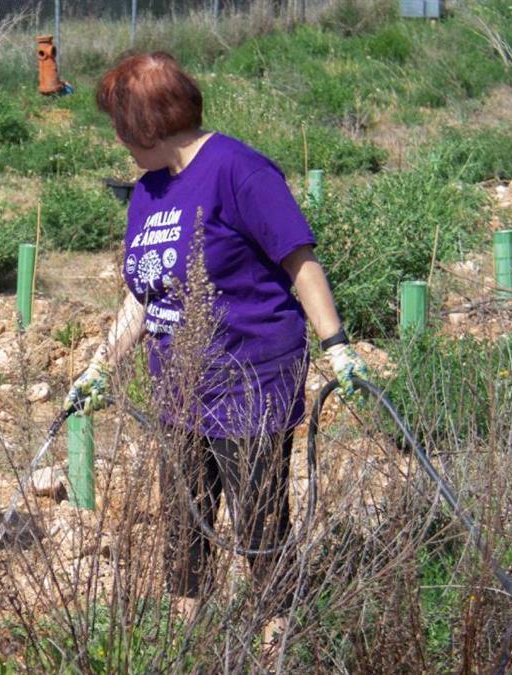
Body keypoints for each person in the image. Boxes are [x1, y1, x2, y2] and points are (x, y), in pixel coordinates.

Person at [63, 52, 368, 651]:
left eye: (121, 126)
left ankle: (277, 639)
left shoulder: (241, 171)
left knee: (258, 512)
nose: (119, 140)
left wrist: (336, 347)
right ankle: (189, 640)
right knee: (183, 517)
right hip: (179, 383)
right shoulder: (149, 192)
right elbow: (142, 294)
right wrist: (101, 365)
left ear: (146, 125)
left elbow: (300, 261)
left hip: (252, 376)